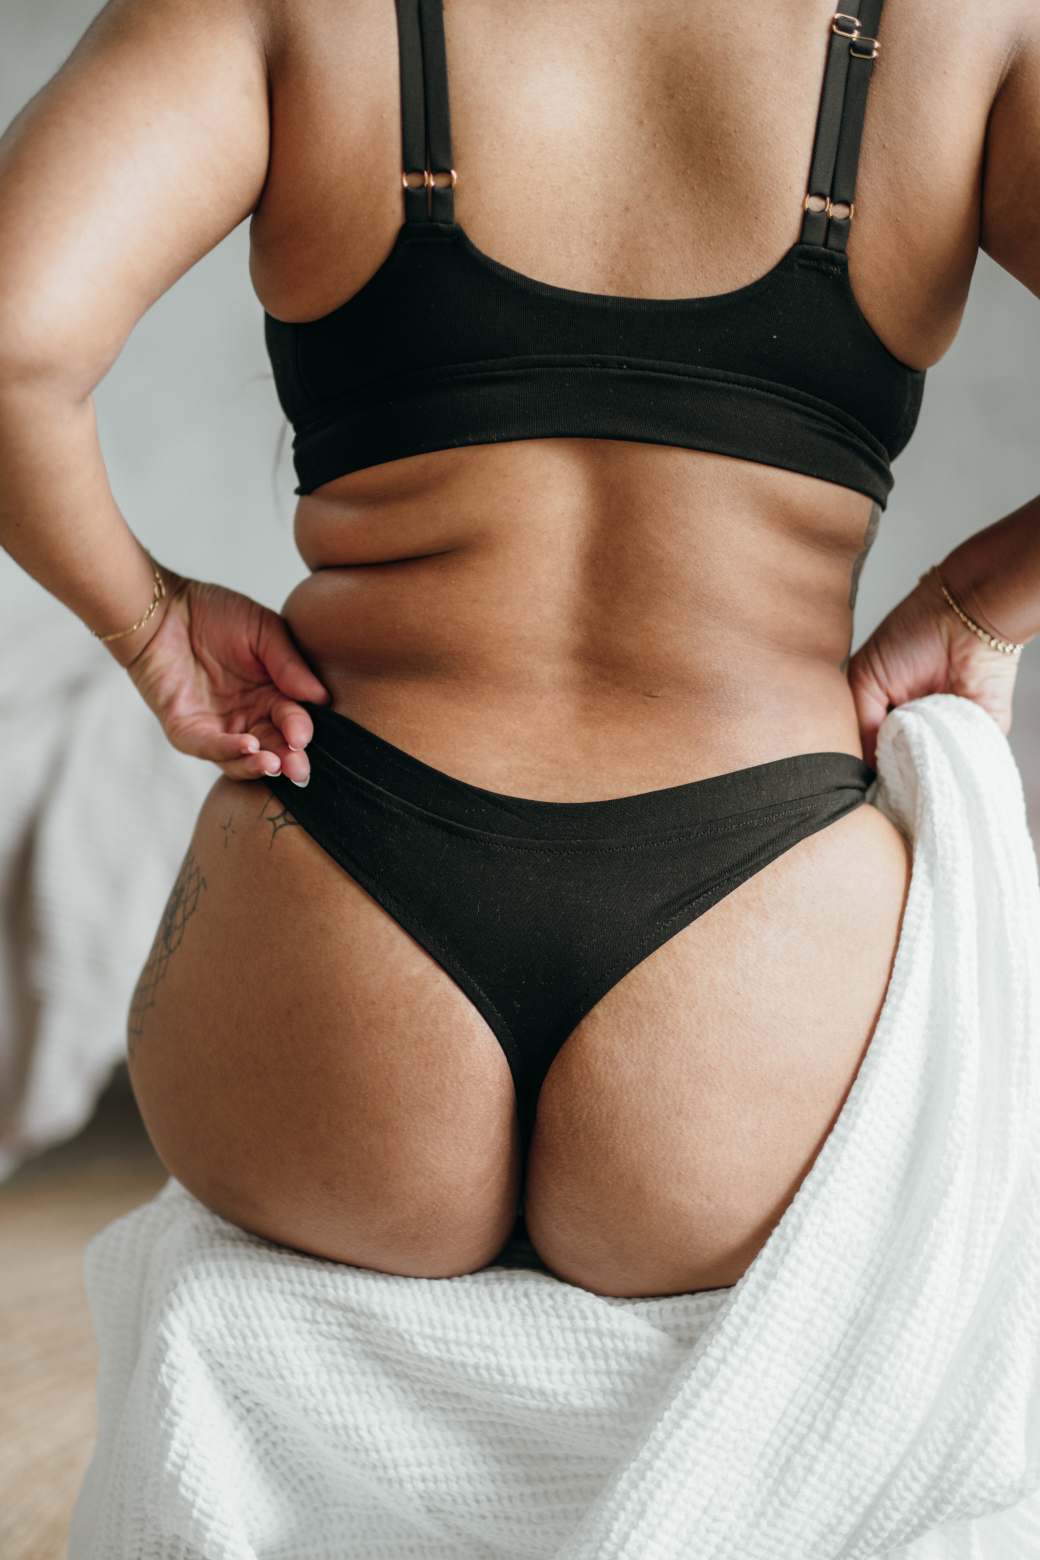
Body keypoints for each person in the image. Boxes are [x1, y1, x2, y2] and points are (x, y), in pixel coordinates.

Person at [0, 0, 1034, 1301]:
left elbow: (8, 343)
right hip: (762, 969)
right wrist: (977, 599)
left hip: (338, 921)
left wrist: (150, 626)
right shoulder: (967, 24)